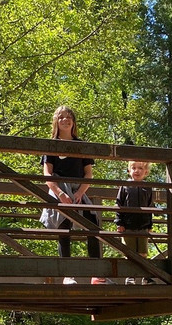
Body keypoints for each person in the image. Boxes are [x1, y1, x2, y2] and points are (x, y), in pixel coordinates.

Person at [41, 106, 101, 282]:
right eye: (61, 117)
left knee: (92, 224)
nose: (65, 120)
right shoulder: (51, 144)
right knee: (64, 226)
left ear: (73, 121)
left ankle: (96, 275)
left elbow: (88, 174)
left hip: (78, 191)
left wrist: (81, 192)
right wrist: (60, 194)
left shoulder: (81, 144)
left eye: (69, 117)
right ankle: (67, 274)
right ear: (56, 121)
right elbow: (47, 175)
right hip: (59, 189)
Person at [115, 160, 155, 284]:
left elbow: (150, 207)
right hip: (128, 225)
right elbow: (119, 204)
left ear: (146, 172)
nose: (136, 171)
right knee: (129, 252)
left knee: (143, 252)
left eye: (140, 168)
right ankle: (130, 276)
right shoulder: (125, 186)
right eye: (133, 168)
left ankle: (145, 276)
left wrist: (149, 225)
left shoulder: (147, 188)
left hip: (142, 225)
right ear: (129, 171)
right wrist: (119, 223)